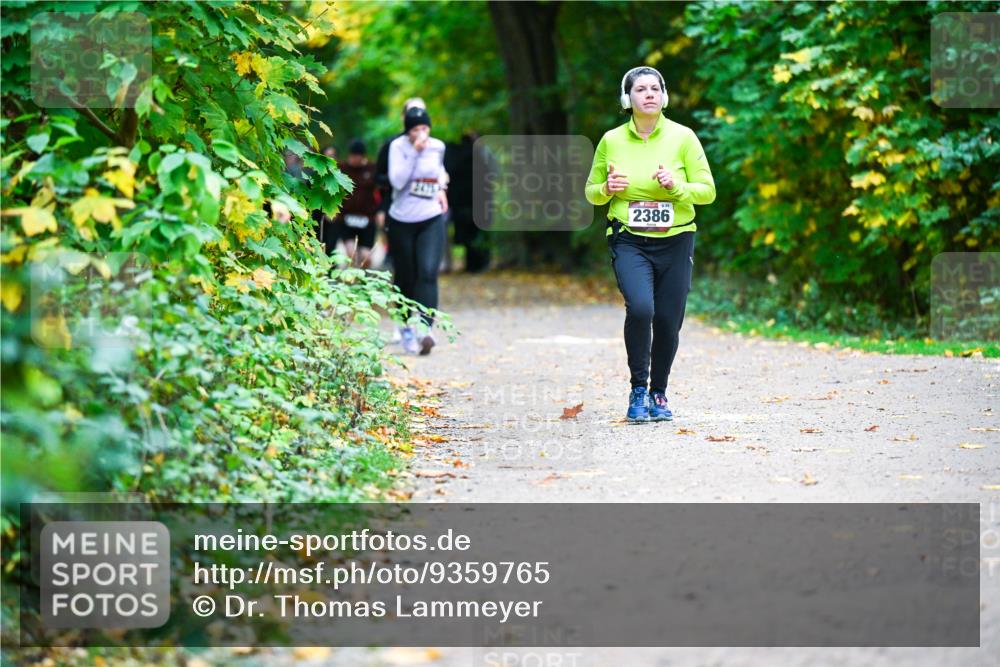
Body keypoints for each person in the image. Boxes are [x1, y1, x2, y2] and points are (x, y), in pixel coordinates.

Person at [585, 66, 716, 423]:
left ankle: (659, 392)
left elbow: (707, 191)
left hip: (676, 240)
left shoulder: (683, 137)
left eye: (655, 88)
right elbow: (591, 191)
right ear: (627, 99)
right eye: (640, 89)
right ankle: (638, 389)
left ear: (664, 96)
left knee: (668, 319)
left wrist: (677, 186)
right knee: (642, 309)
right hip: (629, 239)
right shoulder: (612, 140)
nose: (649, 94)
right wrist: (606, 189)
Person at [387, 106, 449, 355]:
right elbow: (397, 181)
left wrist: (442, 185)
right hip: (402, 220)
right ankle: (404, 327)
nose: (421, 133)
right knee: (406, 277)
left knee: (428, 272)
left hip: (430, 217)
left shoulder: (438, 146)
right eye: (415, 129)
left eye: (425, 128)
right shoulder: (398, 147)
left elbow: (439, 170)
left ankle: (426, 329)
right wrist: (414, 152)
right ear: (407, 131)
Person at [444, 131, 490, 272]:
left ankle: (472, 264)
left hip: (462, 201)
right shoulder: (481, 153)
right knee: (475, 233)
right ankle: (478, 264)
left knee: (468, 235)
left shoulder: (453, 154)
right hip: (477, 201)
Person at [333, 139, 380, 267]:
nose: (355, 160)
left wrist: (380, 211)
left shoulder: (372, 169)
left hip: (367, 219)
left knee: (366, 257)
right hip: (346, 218)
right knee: (350, 254)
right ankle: (351, 282)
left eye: (358, 157)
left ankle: (362, 280)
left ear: (363, 156)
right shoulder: (341, 168)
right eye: (352, 156)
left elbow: (380, 192)